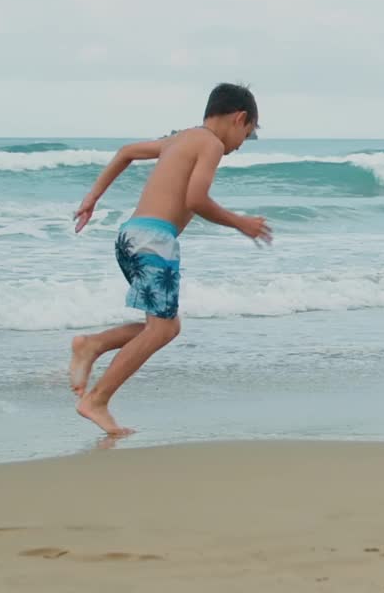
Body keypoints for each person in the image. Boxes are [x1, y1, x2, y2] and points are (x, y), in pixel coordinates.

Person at [67, 83, 272, 437]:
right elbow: (196, 199)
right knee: (162, 328)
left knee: (165, 327)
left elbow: (126, 152)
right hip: (155, 240)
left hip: (130, 236)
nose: (239, 146)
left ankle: (94, 344)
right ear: (240, 118)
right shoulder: (210, 144)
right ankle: (96, 400)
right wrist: (241, 224)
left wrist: (92, 197)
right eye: (247, 134)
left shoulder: (180, 139)